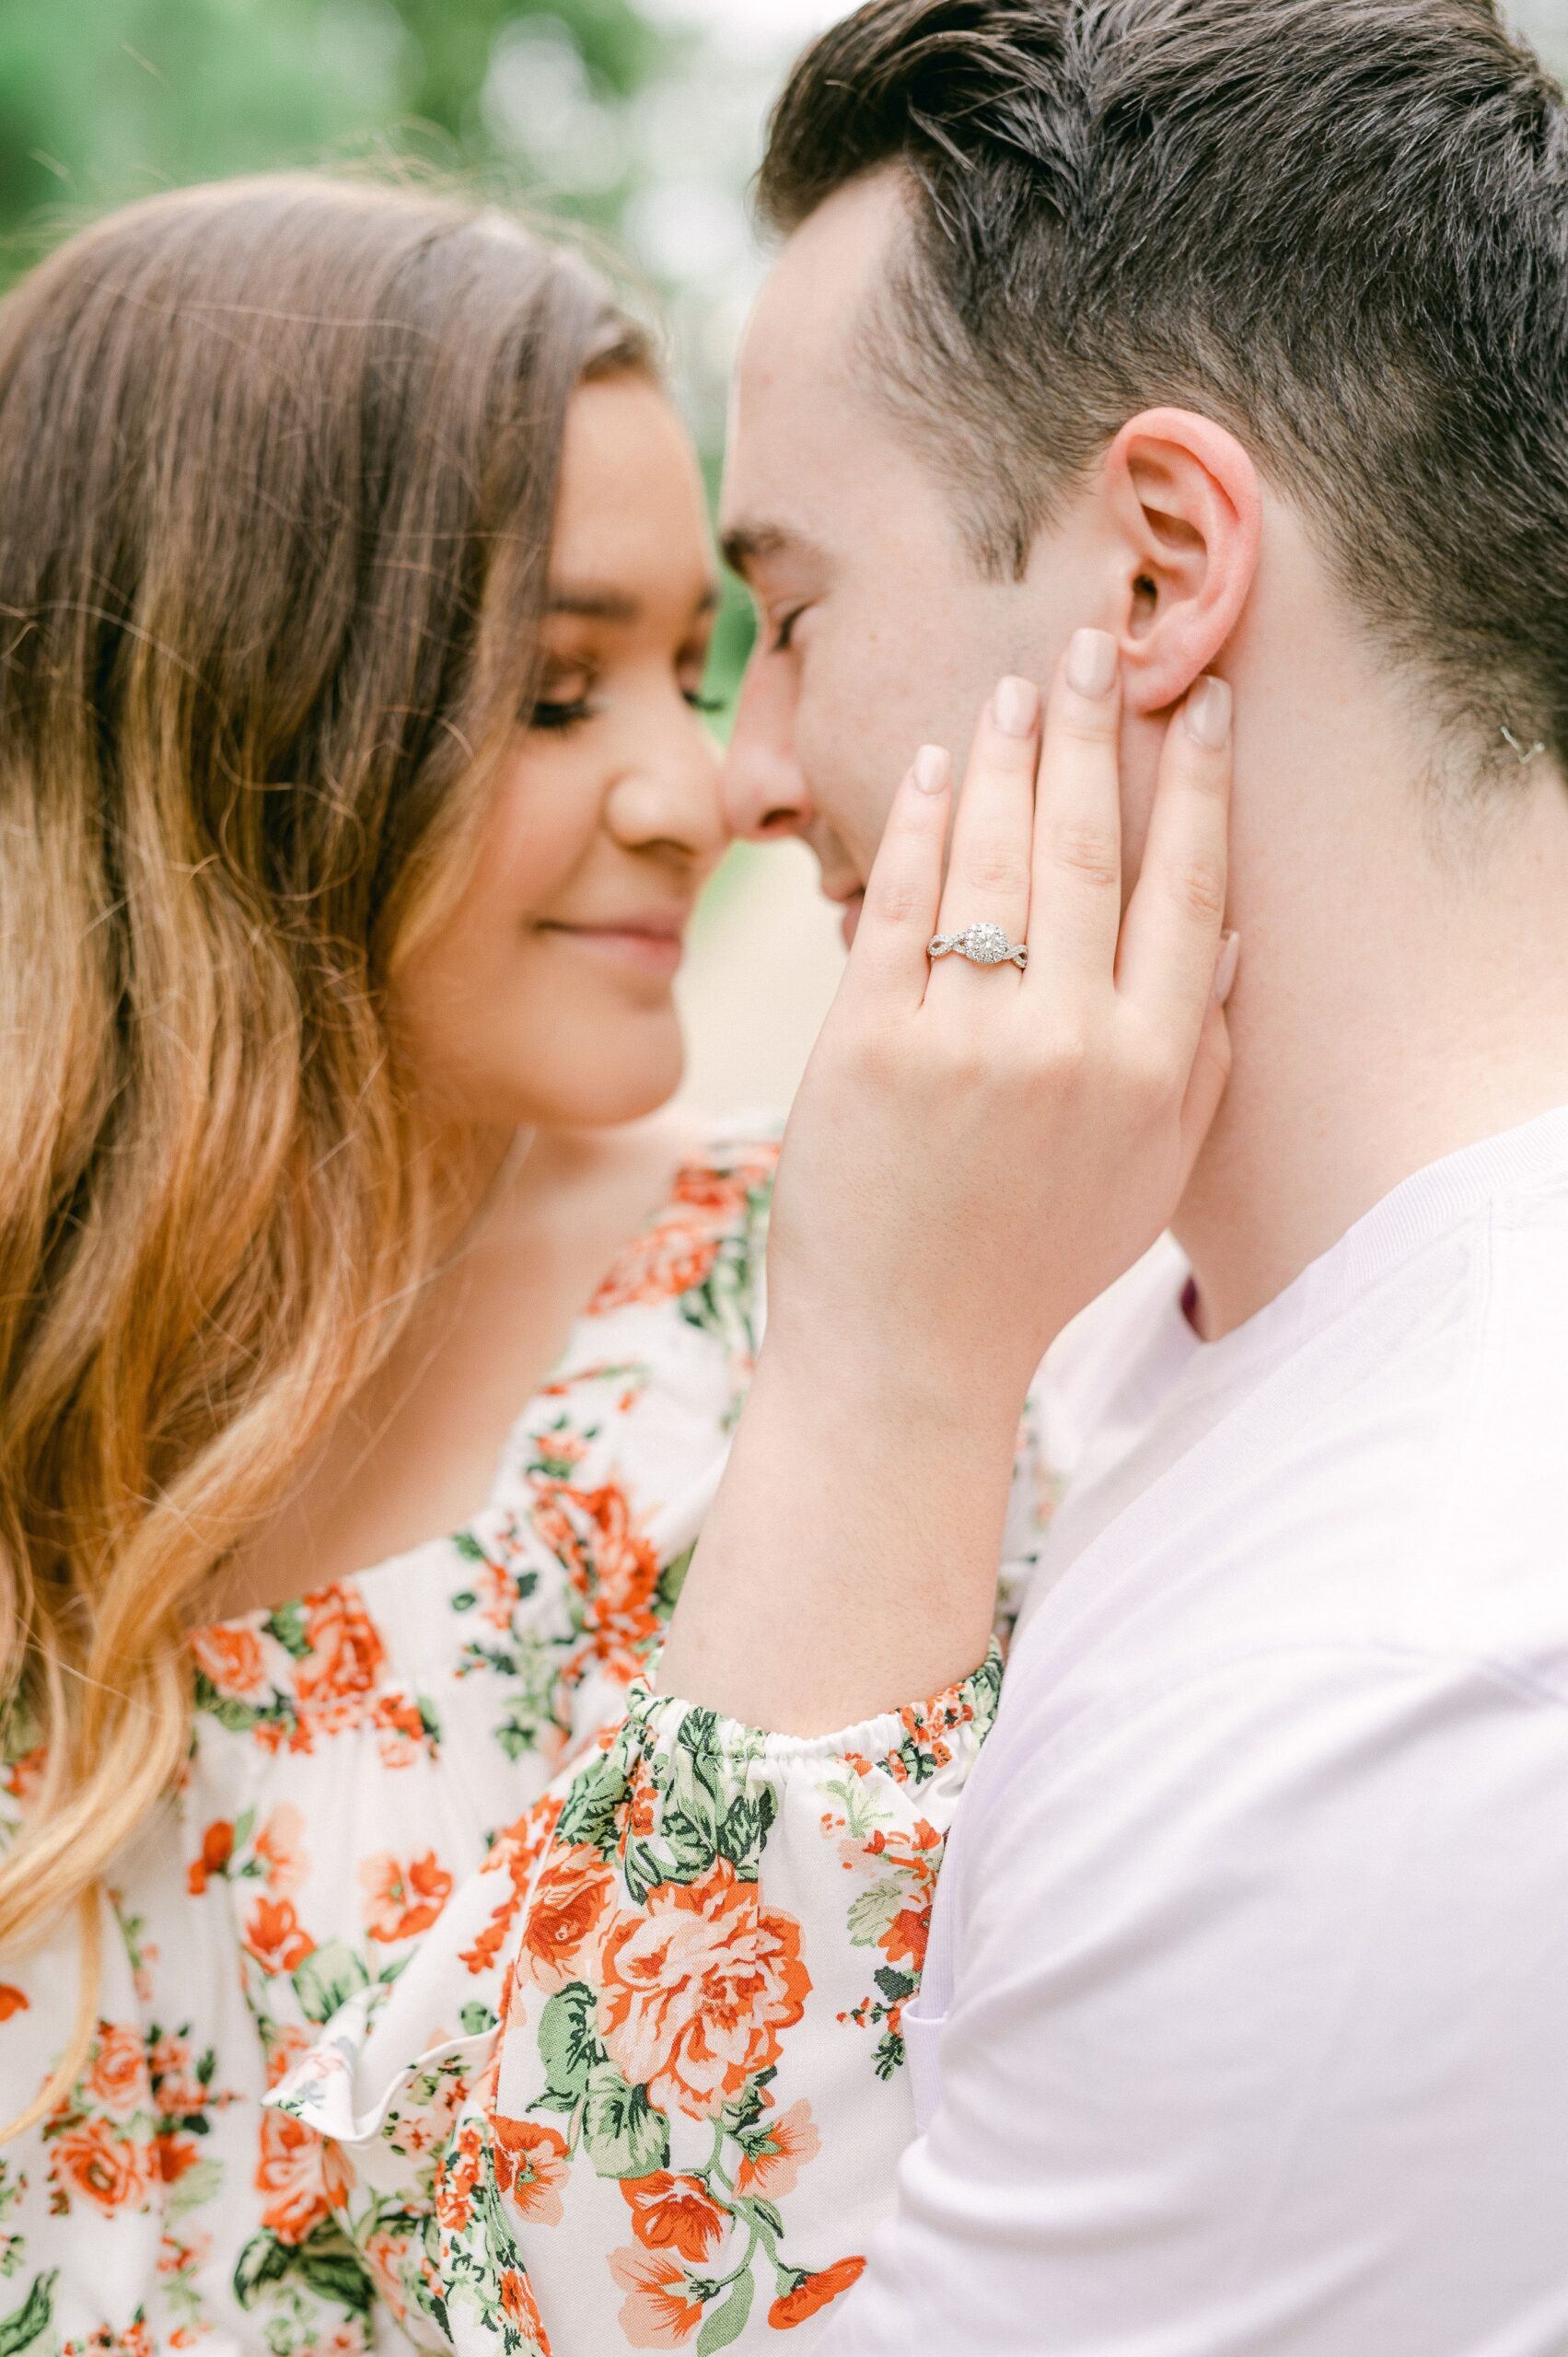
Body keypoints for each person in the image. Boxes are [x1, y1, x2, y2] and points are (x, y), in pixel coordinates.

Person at [277, 2, 1568, 2352]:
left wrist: (878, 1376)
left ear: (1157, 571)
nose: (748, 774)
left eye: (792, 616)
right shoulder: (1144, 1339)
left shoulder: (1394, 1686)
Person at [0, 174, 1030, 2354]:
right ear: (234, 725)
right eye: (560, 691)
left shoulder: (804, 1338)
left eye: (696, 664)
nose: (702, 789)